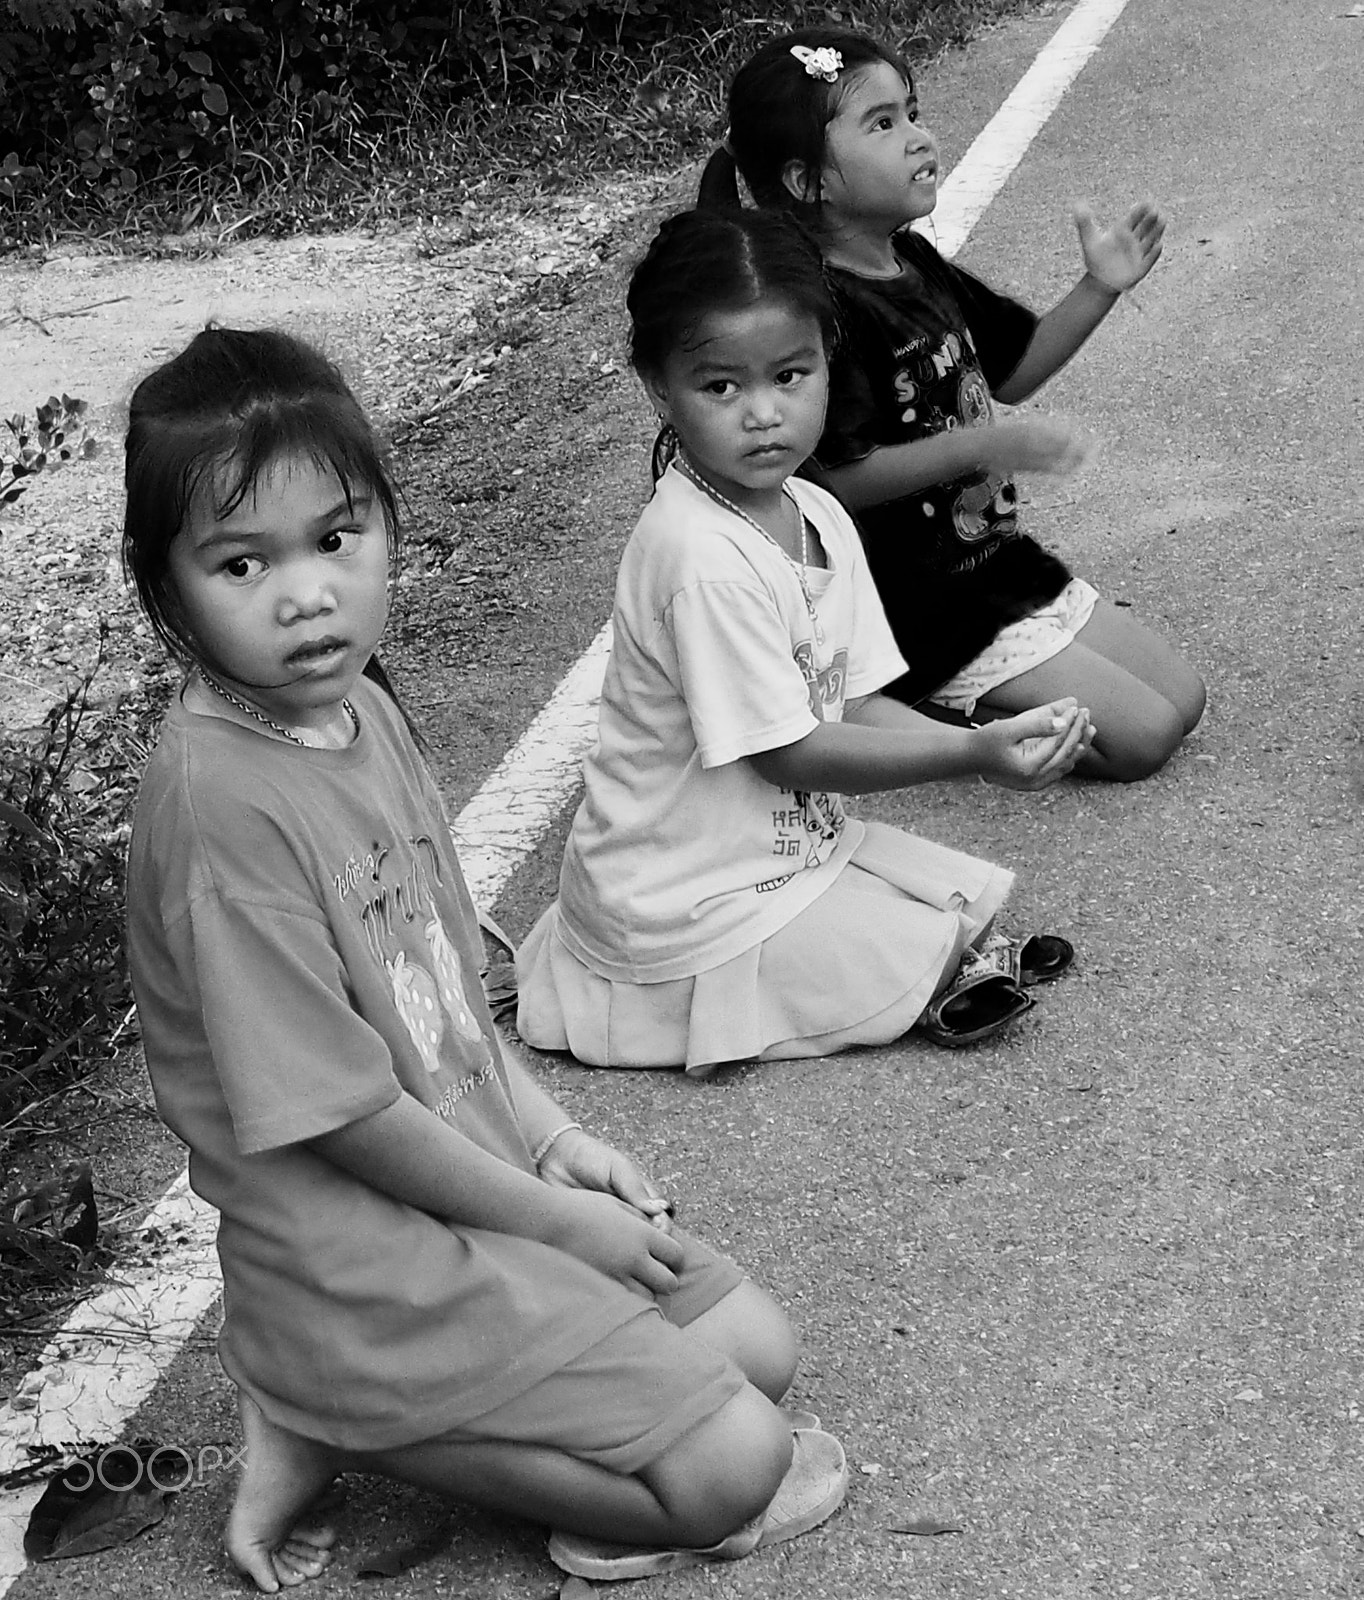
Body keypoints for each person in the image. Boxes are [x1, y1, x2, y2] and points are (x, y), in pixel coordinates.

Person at [121, 326, 851, 1592]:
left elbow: (444, 998)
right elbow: (343, 1116)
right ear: (166, 585)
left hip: (467, 1193)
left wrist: (558, 1137)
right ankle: (330, 1398)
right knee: (735, 1463)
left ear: (386, 530)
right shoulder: (218, 807)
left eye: (335, 539)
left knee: (760, 1350)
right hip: (361, 1256)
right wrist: (559, 1221)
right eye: (242, 562)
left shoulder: (357, 707)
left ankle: (336, 1395)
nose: (305, 594)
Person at [516, 208, 1093, 1077]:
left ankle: (914, 957)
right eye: (721, 388)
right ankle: (891, 976)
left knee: (959, 898)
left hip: (775, 844)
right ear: (656, 385)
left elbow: (857, 701)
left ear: (831, 358)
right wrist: (971, 755)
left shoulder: (815, 511)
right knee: (921, 944)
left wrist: (980, 744)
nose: (763, 415)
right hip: (685, 890)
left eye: (791, 375)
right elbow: (791, 753)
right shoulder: (699, 556)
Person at [698, 28, 1206, 782]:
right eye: (882, 124)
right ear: (808, 182)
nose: (918, 137)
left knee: (1184, 698)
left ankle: (971, 698)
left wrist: (1100, 286)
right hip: (917, 604)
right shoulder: (817, 313)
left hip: (994, 564)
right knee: (1143, 739)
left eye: (911, 111)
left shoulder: (914, 262)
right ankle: (923, 709)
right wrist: (980, 449)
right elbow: (838, 478)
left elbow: (1015, 372)